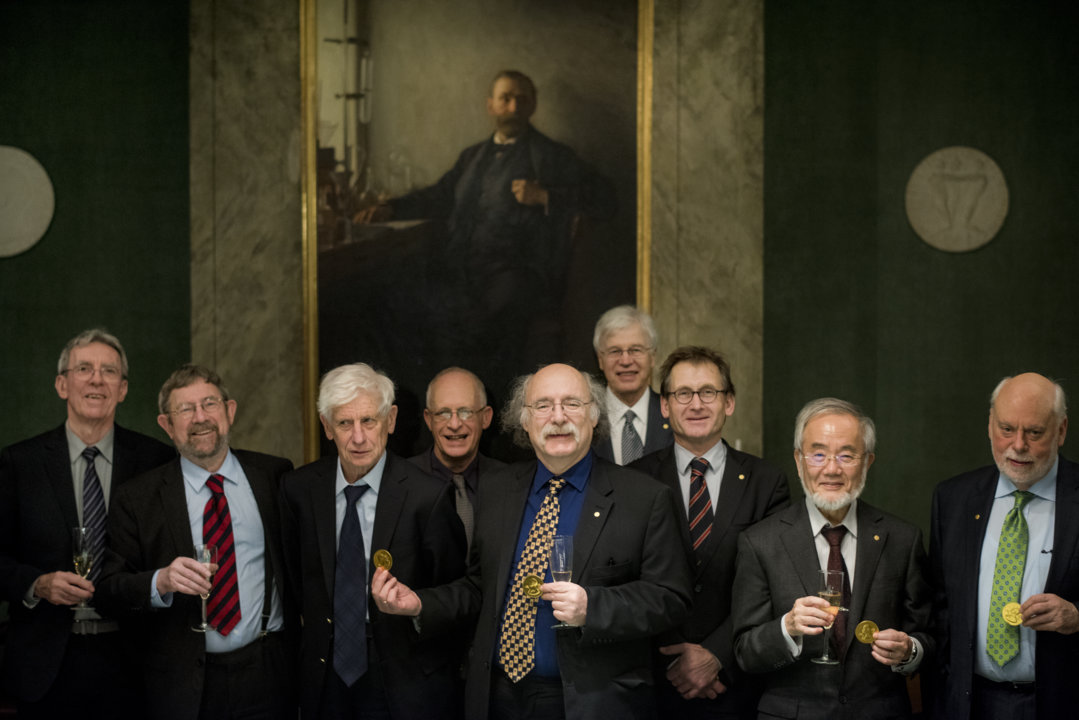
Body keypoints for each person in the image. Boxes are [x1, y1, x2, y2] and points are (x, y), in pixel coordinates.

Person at [372, 362, 692, 720]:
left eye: (572, 403)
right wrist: (420, 603)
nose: (557, 417)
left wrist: (592, 608)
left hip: (590, 701)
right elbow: (480, 587)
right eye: (542, 406)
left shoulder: (643, 497)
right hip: (497, 697)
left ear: (593, 415)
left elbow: (670, 597)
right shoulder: (498, 489)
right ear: (524, 420)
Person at [357, 70, 615, 406]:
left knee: (485, 322)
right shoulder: (472, 156)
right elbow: (439, 196)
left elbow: (608, 199)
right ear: (490, 105)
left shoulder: (551, 156)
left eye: (522, 99)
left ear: (533, 106)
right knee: (394, 305)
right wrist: (391, 209)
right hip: (460, 272)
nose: (513, 105)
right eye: (506, 98)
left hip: (515, 275)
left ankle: (485, 415)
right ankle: (427, 410)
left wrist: (546, 196)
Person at [98, 364, 296, 720]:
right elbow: (109, 589)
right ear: (166, 425)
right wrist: (161, 581)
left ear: (229, 411)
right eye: (185, 409)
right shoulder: (137, 498)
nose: (200, 417)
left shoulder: (276, 476)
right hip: (181, 680)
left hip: (268, 670)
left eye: (209, 404)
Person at [0, 329, 174, 720]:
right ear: (63, 384)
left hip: (134, 661)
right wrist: (36, 584)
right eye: (84, 369)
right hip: (47, 664)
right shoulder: (19, 463)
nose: (97, 379)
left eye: (108, 371)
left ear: (123, 388)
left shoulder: (157, 461)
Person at [280, 362, 467, 719]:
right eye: (344, 423)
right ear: (326, 426)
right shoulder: (299, 490)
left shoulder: (427, 496)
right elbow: (294, 582)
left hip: (401, 676)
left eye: (369, 421)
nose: (359, 437)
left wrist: (417, 604)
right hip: (324, 674)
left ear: (391, 420)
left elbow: (460, 592)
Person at [732, 398, 933, 720]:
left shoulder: (903, 539)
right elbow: (744, 652)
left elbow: (929, 634)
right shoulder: (760, 543)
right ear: (799, 461)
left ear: (867, 461)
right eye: (818, 454)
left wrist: (910, 650)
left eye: (846, 455)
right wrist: (787, 628)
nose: (832, 469)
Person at [630, 346, 790, 718]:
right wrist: (677, 659)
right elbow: (629, 577)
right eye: (682, 393)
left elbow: (773, 582)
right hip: (655, 683)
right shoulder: (634, 480)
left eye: (709, 392)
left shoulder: (766, 482)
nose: (696, 404)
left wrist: (716, 654)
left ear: (729, 403)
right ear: (665, 407)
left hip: (736, 684)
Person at [929, 373, 1077, 720]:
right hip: (970, 703)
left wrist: (1076, 616)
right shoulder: (953, 499)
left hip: (1061, 702)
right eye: (1006, 429)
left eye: (1034, 432)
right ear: (990, 425)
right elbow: (937, 608)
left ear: (1061, 430)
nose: (1018, 445)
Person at [409, 367, 507, 550]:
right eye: (443, 413)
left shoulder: (510, 485)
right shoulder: (402, 482)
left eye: (465, 412)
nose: (454, 424)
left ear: (486, 418)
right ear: (429, 419)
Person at [591, 305, 673, 465]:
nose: (626, 361)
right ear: (600, 360)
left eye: (635, 350)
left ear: (653, 357)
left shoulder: (674, 415)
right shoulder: (584, 419)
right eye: (615, 351)